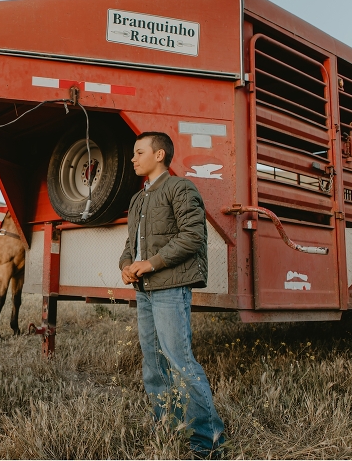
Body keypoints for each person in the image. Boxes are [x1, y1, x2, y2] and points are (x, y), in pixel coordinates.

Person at [119, 132, 226, 458]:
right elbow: (130, 245)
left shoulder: (180, 188)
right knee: (153, 366)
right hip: (145, 292)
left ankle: (208, 443)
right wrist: (126, 265)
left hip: (170, 289)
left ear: (160, 154)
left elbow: (192, 236)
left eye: (139, 153)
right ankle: (166, 428)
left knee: (180, 363)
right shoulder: (138, 199)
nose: (134, 159)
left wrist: (149, 263)